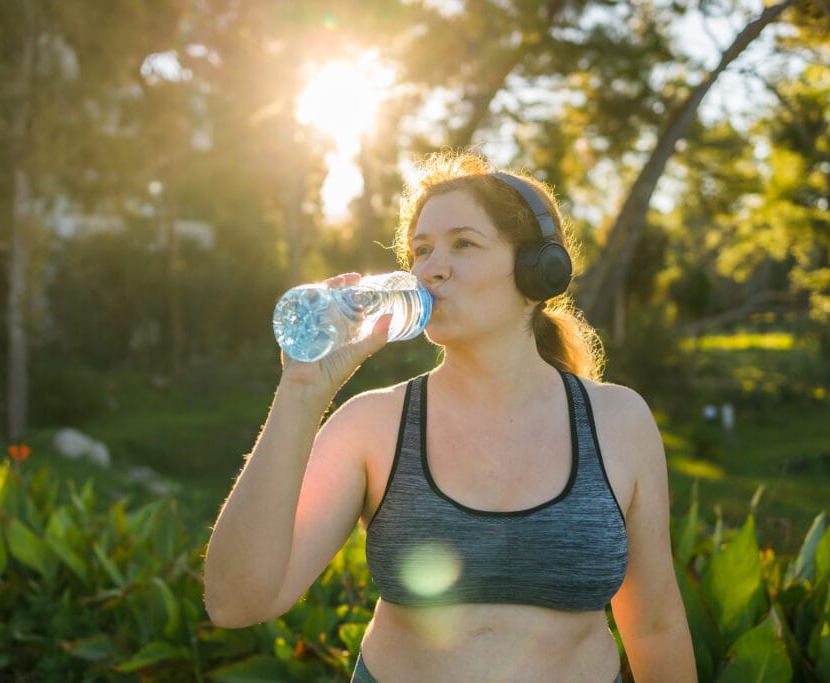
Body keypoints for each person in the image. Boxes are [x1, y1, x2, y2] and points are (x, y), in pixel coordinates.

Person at [204, 151, 697, 683]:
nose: (431, 268)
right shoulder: (373, 424)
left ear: (538, 271)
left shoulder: (618, 421)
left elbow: (654, 626)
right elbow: (236, 603)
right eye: (421, 250)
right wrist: (302, 390)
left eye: (464, 244)